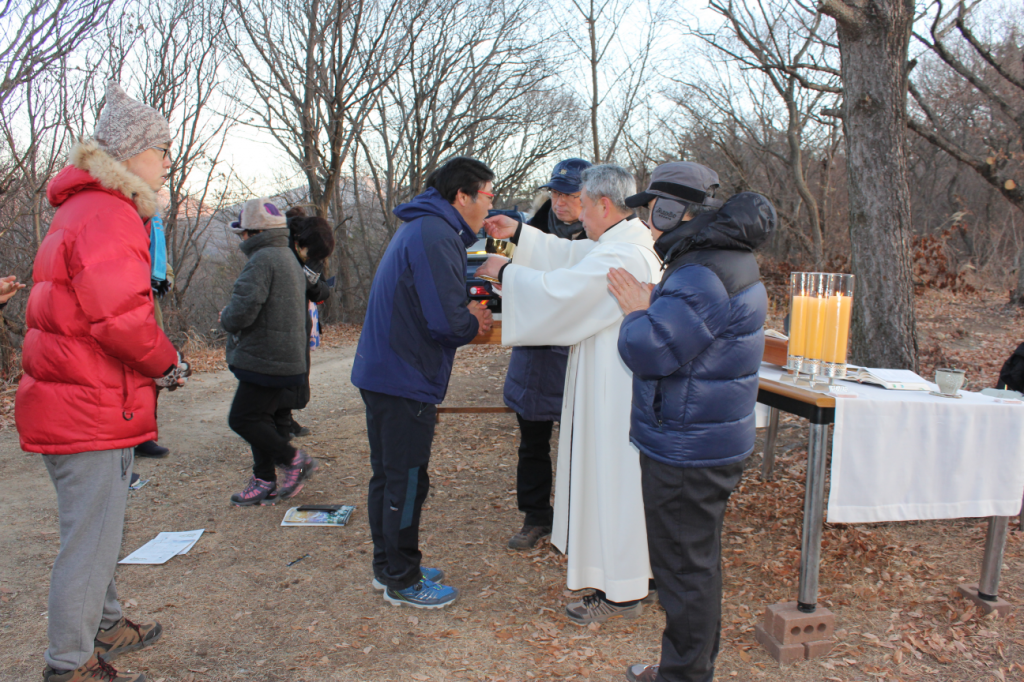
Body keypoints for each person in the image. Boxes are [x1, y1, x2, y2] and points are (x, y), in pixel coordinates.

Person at [16, 81, 186, 682]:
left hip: (68, 396)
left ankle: (107, 624)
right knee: (89, 540)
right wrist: (168, 363)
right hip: (88, 404)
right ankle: (70, 661)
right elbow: (123, 320)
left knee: (97, 525)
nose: (168, 159)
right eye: (161, 148)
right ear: (130, 155)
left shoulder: (82, 208)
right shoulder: (111, 214)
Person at [608, 162, 775, 682]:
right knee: (695, 565)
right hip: (704, 437)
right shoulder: (721, 260)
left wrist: (637, 310)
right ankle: (689, 666)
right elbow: (699, 332)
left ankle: (683, 675)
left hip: (687, 446)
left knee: (684, 572)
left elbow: (651, 350)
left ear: (677, 212)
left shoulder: (700, 271)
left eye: (655, 212)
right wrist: (658, 302)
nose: (651, 225)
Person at [476, 164, 662, 625]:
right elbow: (571, 257)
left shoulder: (624, 255)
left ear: (602, 203)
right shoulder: (623, 243)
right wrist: (521, 232)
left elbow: (566, 289)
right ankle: (640, 576)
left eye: (582, 203)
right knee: (621, 485)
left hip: (615, 393)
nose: (577, 215)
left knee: (614, 484)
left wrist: (507, 272)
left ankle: (620, 592)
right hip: (613, 385)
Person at [351, 156, 494, 609]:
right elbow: (446, 322)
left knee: (390, 475)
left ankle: (387, 565)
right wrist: (474, 322)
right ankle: (403, 578)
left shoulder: (425, 225)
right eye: (488, 195)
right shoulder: (435, 233)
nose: (490, 205)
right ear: (462, 196)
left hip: (386, 369)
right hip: (403, 374)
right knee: (408, 480)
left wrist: (463, 316)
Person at [504, 157, 592, 550]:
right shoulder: (530, 229)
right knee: (532, 441)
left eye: (570, 194)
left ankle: (578, 519)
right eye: (556, 192)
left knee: (580, 444)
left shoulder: (602, 238)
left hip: (578, 355)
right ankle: (536, 515)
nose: (560, 201)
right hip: (534, 354)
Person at [222, 198, 316, 507]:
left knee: (242, 419)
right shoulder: (287, 256)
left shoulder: (261, 259)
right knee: (258, 418)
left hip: (264, 359)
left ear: (254, 233)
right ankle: (264, 480)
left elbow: (241, 312)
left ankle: (293, 460)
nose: (243, 240)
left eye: (243, 234)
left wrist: (225, 316)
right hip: (286, 358)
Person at [272, 207, 336, 441]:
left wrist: (318, 285)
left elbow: (315, 287)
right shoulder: (278, 247)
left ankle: (285, 419)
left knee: (296, 370)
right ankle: (278, 424)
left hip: (298, 315)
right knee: (281, 371)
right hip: (278, 318)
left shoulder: (313, 251)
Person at [135, 212, 172, 458]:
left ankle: (144, 435)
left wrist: (166, 278)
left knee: (148, 369)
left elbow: (162, 261)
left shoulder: (152, 218)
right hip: (122, 297)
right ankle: (128, 437)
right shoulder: (114, 214)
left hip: (148, 300)